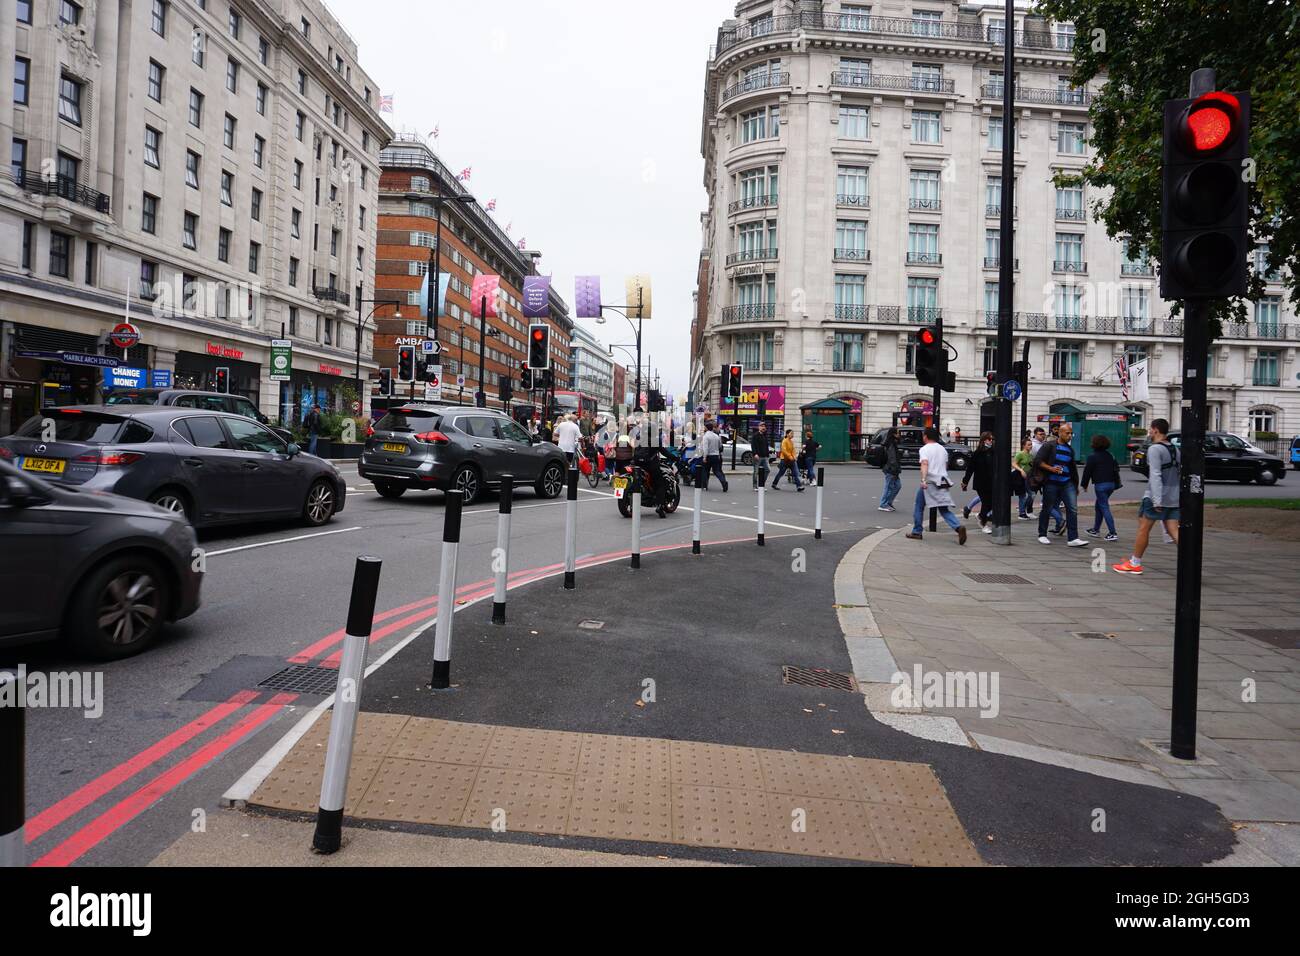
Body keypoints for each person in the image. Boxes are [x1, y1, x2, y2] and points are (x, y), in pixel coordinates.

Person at [1114, 420, 1180, 574]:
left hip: (1156, 496)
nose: (1149, 432)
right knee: (1174, 530)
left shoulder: (1155, 449)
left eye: (1150, 429)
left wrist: (1157, 499)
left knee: (1143, 529)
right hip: (1173, 496)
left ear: (1156, 430)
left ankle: (1135, 563)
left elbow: (1155, 474)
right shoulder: (1175, 450)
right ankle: (1189, 562)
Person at [905, 427, 966, 545]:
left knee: (919, 506)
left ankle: (917, 531)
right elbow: (946, 465)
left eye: (923, 435)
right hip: (942, 481)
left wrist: (923, 479)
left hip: (930, 481)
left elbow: (924, 463)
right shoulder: (942, 449)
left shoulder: (924, 449)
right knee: (943, 508)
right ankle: (958, 527)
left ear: (926, 436)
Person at [1034, 422, 1088, 547]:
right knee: (1047, 508)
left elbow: (1072, 468)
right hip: (1051, 482)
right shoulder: (1049, 446)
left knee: (1072, 509)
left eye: (1071, 433)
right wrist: (1051, 469)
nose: (1070, 436)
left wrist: (1075, 485)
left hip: (1067, 482)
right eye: (1067, 433)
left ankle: (1073, 538)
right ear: (1059, 433)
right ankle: (1042, 534)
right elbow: (1038, 461)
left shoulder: (1070, 450)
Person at [1081, 433, 1122, 541]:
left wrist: (1084, 485)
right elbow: (1116, 468)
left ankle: (1112, 533)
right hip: (1111, 484)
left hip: (1100, 485)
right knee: (1099, 505)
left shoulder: (1092, 456)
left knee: (1104, 506)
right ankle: (1095, 529)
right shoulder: (1110, 455)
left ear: (1094, 444)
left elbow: (1087, 472)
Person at [962, 432, 997, 533]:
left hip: (991, 482)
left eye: (992, 439)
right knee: (986, 502)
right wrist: (965, 481)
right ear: (984, 440)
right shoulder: (977, 453)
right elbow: (970, 468)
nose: (991, 441)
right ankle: (983, 523)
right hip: (981, 483)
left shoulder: (993, 452)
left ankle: (981, 516)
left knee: (991, 503)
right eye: (989, 439)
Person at [699, 421, 729, 492]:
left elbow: (705, 448)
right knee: (717, 471)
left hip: (709, 456)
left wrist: (704, 457)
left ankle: (705, 485)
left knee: (705, 471)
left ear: (706, 428)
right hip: (716, 455)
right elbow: (720, 446)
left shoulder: (706, 436)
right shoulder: (716, 436)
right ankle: (724, 482)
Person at [878, 428, 903, 512]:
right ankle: (883, 504)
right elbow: (892, 458)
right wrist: (895, 469)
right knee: (889, 486)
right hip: (891, 469)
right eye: (898, 433)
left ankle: (888, 502)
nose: (899, 434)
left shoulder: (892, 442)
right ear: (894, 434)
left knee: (897, 486)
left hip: (891, 468)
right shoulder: (890, 444)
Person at [1012, 437, 1035, 520]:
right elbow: (1014, 464)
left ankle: (1024, 509)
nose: (1031, 446)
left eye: (1031, 444)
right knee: (1022, 495)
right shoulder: (1020, 454)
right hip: (1019, 477)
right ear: (1024, 446)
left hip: (1028, 477)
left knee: (1032, 494)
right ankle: (1022, 513)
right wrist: (1021, 470)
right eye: (1028, 445)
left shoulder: (1031, 455)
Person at [750, 421, 772, 489]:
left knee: (768, 470)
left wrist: (768, 454)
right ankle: (755, 486)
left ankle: (761, 484)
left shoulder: (765, 435)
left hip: (765, 457)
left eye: (764, 426)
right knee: (756, 472)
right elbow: (753, 445)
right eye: (762, 426)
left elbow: (766, 446)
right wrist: (755, 454)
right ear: (758, 427)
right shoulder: (755, 435)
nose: (763, 427)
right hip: (758, 456)